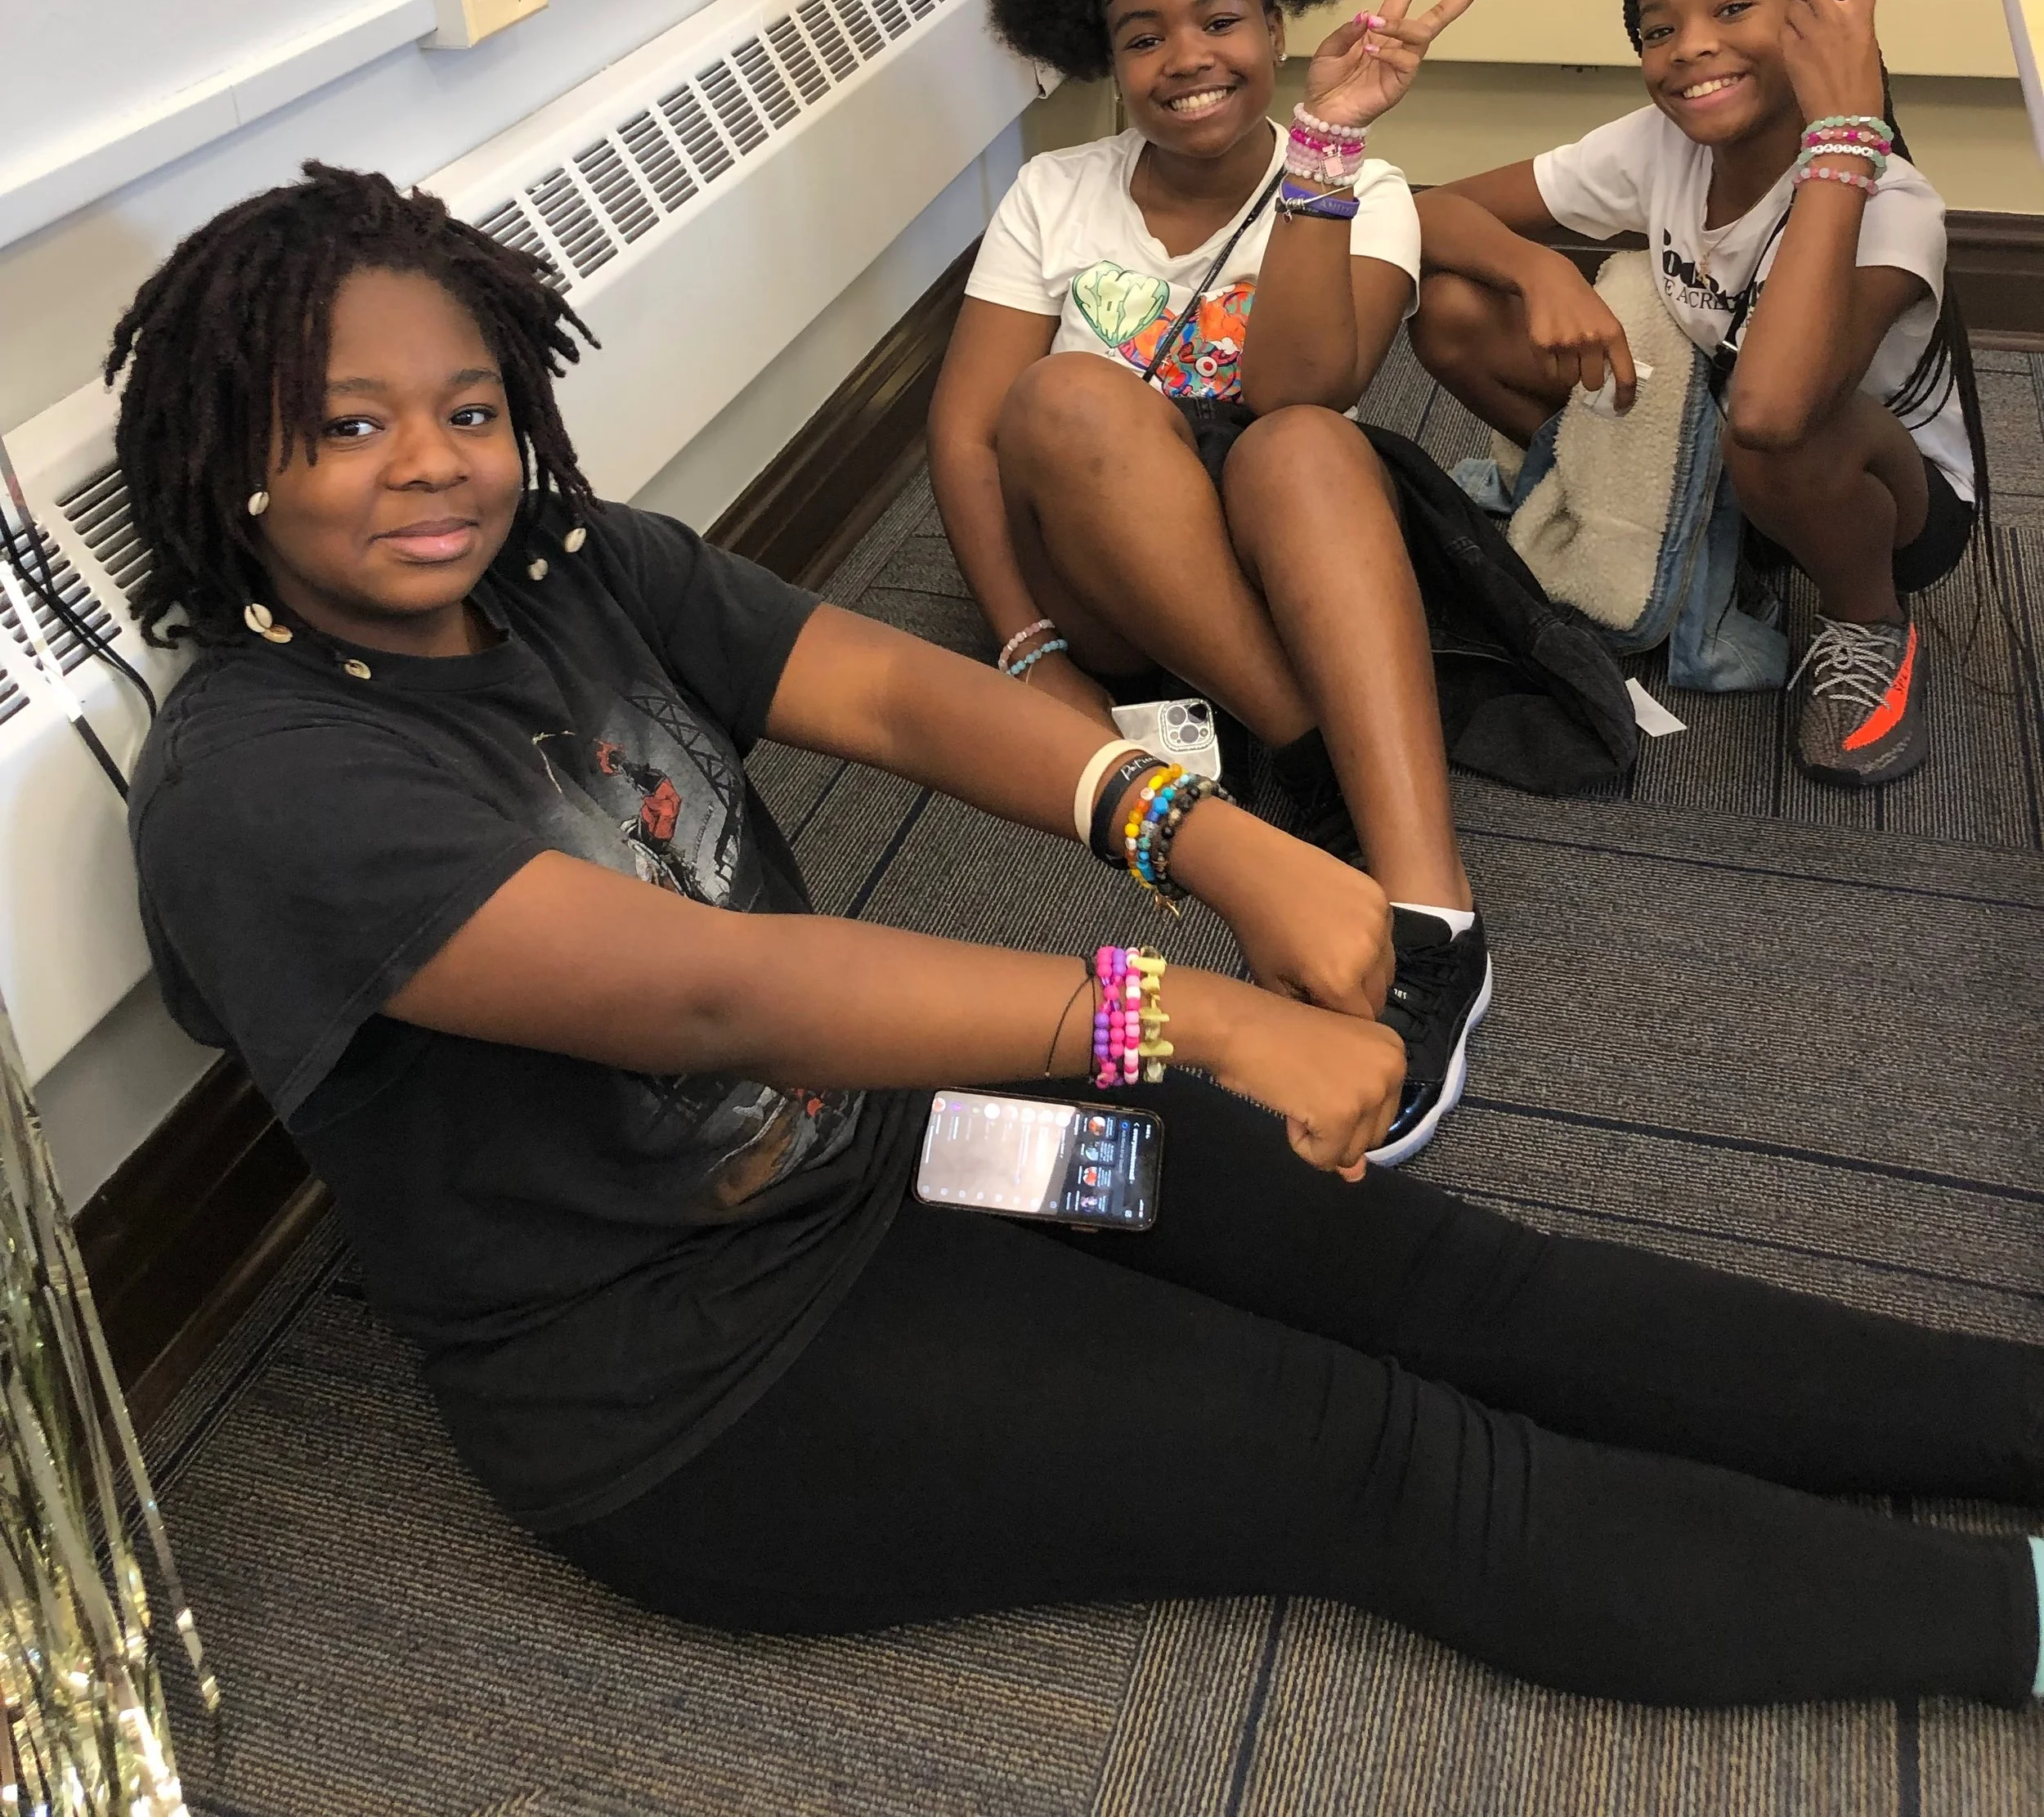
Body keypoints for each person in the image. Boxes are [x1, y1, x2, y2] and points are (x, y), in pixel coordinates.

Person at [116, 164, 2044, 1710]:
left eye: (464, 406)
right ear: (230, 461)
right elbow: (707, 991)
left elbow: (882, 694)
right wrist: (1188, 1017)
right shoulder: (267, 786)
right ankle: (2014, 1630)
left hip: (926, 1146)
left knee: (1461, 1289)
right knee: (1379, 1457)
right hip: (708, 1379)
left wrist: (1196, 830)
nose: (434, 460)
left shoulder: (566, 565)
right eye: (348, 425)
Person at [929, 0, 1497, 1163]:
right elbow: (963, 438)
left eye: (1223, 17)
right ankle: (1323, 757)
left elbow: (1309, 383)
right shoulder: (1053, 195)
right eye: (1143, 35)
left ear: (1282, 25)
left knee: (1298, 438)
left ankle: (1433, 917)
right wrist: (1030, 648)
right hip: (1118, 576)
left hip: (1298, 547)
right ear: (1103, 59)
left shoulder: (1373, 189)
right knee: (1060, 393)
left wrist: (1326, 157)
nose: (1187, 54)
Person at [1410, 0, 1988, 786]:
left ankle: (1865, 624)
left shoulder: (1892, 208)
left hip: (1876, 493)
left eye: (1730, 9)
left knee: (1777, 437)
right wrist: (1540, 270)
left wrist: (1841, 140)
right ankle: (1645, 527)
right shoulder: (1658, 146)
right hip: (1714, 441)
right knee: (1449, 306)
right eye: (1656, 30)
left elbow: (1773, 408)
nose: (1687, 47)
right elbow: (1426, 214)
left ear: (1818, 29)